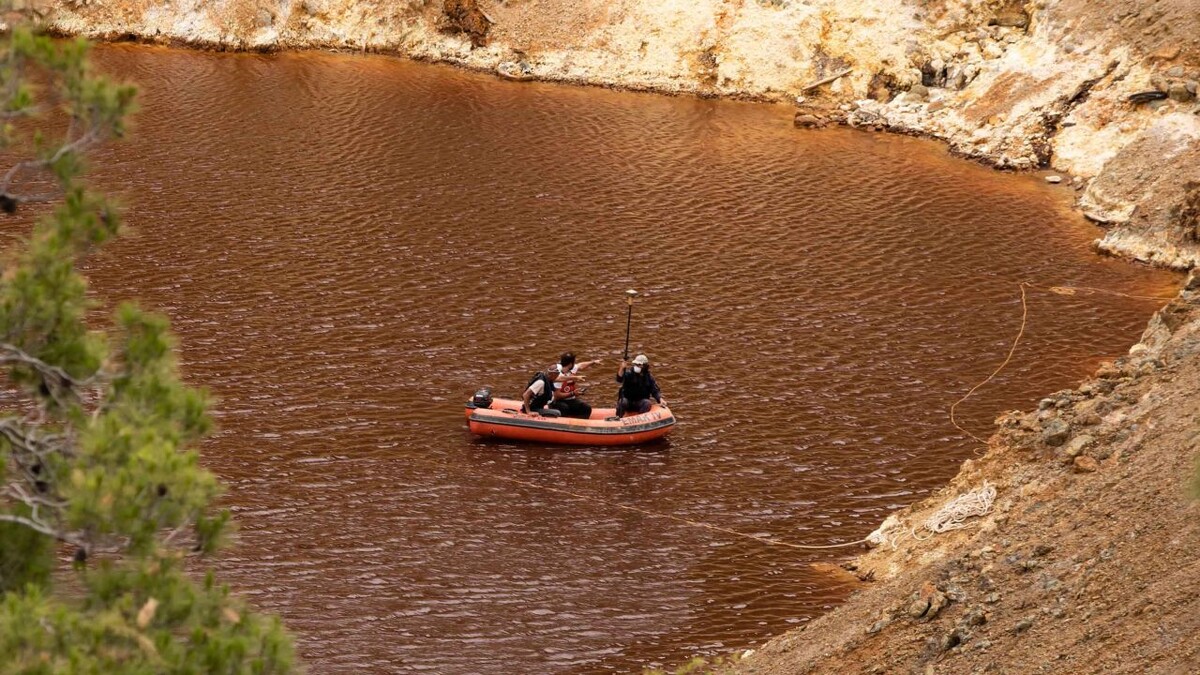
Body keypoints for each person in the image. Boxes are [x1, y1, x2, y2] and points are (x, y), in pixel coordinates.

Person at [550, 352, 601, 419]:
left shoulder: (571, 368)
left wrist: (593, 362)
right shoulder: (558, 374)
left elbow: (581, 365)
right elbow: (557, 396)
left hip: (569, 399)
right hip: (557, 401)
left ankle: (579, 425)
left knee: (586, 408)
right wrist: (573, 393)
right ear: (570, 364)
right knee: (564, 408)